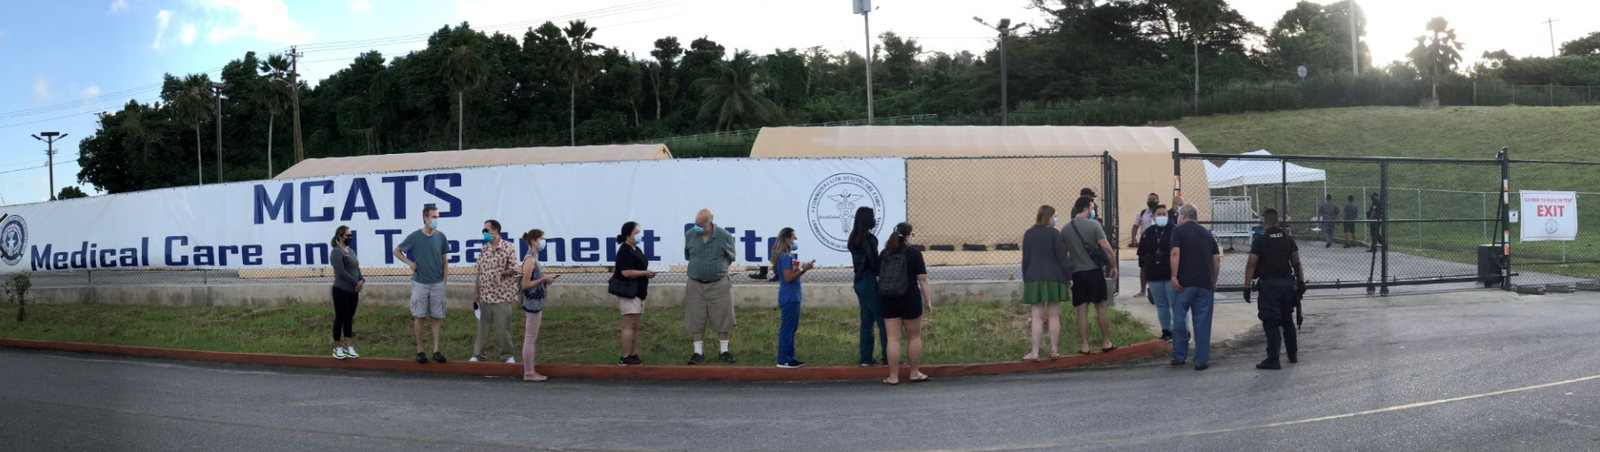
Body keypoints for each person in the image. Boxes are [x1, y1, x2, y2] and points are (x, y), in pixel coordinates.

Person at [1243, 209, 1306, 370]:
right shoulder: (1287, 239)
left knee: (1271, 322)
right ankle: (1292, 354)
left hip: (1269, 286)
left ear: (1264, 223)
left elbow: (1251, 263)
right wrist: (1301, 283)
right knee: (1287, 319)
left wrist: (1246, 286)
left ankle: (1273, 358)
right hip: (1286, 284)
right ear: (1277, 222)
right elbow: (1296, 262)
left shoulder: (1260, 240)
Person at [1063, 196, 1120, 355]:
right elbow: (1107, 248)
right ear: (1086, 208)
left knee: (1081, 310)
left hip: (1077, 273)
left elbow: (1063, 254)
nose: (1093, 211)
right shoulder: (1094, 225)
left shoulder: (1066, 229)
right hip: (1094, 272)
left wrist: (1067, 275)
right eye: (1092, 208)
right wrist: (1113, 266)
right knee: (1100, 306)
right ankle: (1106, 342)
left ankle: (1084, 345)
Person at [393, 205, 449, 364]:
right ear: (425, 218)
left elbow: (445, 260)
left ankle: (436, 350)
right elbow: (396, 251)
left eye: (437, 217)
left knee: (436, 317)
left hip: (437, 283)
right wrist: (410, 263)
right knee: (419, 316)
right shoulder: (415, 237)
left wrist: (444, 279)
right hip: (420, 283)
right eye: (433, 217)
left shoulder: (441, 237)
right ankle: (420, 350)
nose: (436, 220)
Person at [1169, 204, 1221, 371]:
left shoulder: (1178, 231)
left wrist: (1174, 276)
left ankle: (1179, 355)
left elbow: (1175, 253)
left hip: (1184, 284)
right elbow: (1216, 259)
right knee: (1203, 322)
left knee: (1179, 320)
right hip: (1204, 284)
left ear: (1183, 216)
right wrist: (1213, 280)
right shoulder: (1207, 233)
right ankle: (1201, 360)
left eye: (1179, 215)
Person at [879, 222, 932, 385]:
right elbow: (922, 278)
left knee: (893, 338)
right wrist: (928, 301)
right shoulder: (914, 253)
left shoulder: (884, 254)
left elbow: (878, 279)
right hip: (910, 298)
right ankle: (914, 373)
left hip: (888, 299)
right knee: (914, 337)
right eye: (912, 235)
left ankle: (893, 376)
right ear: (908, 236)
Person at [683, 208, 738, 364]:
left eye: (701, 224)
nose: (697, 227)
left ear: (710, 223)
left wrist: (718, 269)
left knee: (723, 317)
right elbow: (688, 255)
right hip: (695, 284)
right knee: (696, 318)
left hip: (718, 284)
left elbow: (731, 257)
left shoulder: (724, 236)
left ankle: (724, 351)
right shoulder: (690, 235)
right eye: (696, 223)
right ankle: (698, 353)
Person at [1021, 205, 1071, 361]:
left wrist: (1026, 277)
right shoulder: (1055, 234)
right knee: (1054, 315)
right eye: (1055, 216)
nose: (1056, 219)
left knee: (1036, 316)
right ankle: (1054, 351)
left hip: (1034, 277)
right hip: (1054, 277)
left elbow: (1026, 258)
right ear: (1049, 217)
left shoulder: (1028, 234)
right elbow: (1062, 257)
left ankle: (1035, 353)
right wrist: (1068, 276)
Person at [471, 220, 519, 363]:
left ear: (496, 231)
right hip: (484, 297)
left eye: (487, 230)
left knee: (503, 329)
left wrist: (502, 274)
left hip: (501, 296)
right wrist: (476, 292)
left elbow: (515, 269)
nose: (484, 233)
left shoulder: (508, 247)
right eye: (483, 231)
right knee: (482, 329)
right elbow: (479, 272)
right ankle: (478, 355)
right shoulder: (484, 249)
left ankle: (507, 356)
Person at [849, 206, 889, 367]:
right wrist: (880, 277)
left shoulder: (854, 238)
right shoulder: (869, 239)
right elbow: (873, 260)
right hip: (869, 280)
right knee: (882, 319)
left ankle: (865, 357)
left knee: (867, 320)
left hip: (859, 280)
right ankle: (888, 357)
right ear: (868, 220)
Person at [613, 221, 655, 366]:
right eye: (637, 233)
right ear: (628, 235)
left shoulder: (635, 248)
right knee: (629, 324)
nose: (639, 235)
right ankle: (625, 356)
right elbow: (626, 272)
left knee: (636, 324)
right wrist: (644, 273)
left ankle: (632, 353)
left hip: (639, 291)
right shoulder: (625, 250)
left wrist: (646, 274)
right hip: (629, 292)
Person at [519, 229, 557, 381]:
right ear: (534, 241)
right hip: (532, 302)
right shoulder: (530, 259)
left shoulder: (534, 257)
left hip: (536, 301)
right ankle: (529, 372)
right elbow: (526, 283)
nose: (543, 241)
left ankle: (530, 371)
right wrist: (543, 279)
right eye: (541, 238)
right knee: (530, 338)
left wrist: (546, 278)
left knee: (531, 337)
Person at [773, 228, 813, 369]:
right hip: (789, 297)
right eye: (794, 238)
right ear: (787, 240)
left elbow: (790, 274)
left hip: (792, 297)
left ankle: (790, 357)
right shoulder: (785, 258)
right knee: (787, 329)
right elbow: (788, 278)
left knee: (791, 328)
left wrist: (799, 270)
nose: (795, 241)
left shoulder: (787, 257)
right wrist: (803, 269)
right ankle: (784, 359)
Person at [1137, 205, 1178, 342]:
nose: (1162, 216)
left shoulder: (1174, 230)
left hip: (1171, 275)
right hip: (1154, 275)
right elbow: (1142, 253)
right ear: (1153, 216)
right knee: (1161, 305)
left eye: (1164, 214)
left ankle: (1182, 331)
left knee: (1176, 305)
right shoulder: (1147, 232)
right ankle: (1166, 330)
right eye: (1159, 214)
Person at [329, 226, 365, 360]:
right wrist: (355, 282)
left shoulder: (351, 251)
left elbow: (356, 267)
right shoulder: (336, 252)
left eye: (351, 236)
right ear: (339, 236)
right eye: (347, 236)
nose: (350, 238)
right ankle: (337, 347)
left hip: (353, 291)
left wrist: (361, 279)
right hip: (341, 290)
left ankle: (349, 347)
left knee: (349, 318)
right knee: (340, 318)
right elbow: (341, 272)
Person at [1130, 193, 1160, 298]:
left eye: (1154, 199)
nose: (1151, 200)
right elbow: (1135, 226)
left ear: (1158, 201)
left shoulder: (1161, 213)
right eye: (1150, 199)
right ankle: (1143, 290)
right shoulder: (1142, 213)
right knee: (1143, 267)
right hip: (1145, 244)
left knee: (1158, 267)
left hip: (1158, 244)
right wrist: (1133, 237)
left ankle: (1156, 291)